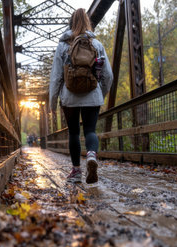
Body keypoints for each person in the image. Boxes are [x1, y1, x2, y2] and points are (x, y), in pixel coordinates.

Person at [49, 8, 113, 184]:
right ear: (87, 23)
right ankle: (92, 156)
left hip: (69, 97)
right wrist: (102, 93)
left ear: (70, 24)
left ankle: (76, 171)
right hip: (92, 95)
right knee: (90, 130)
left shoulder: (63, 46)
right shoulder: (96, 45)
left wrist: (52, 104)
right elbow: (108, 76)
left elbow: (56, 77)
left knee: (74, 133)